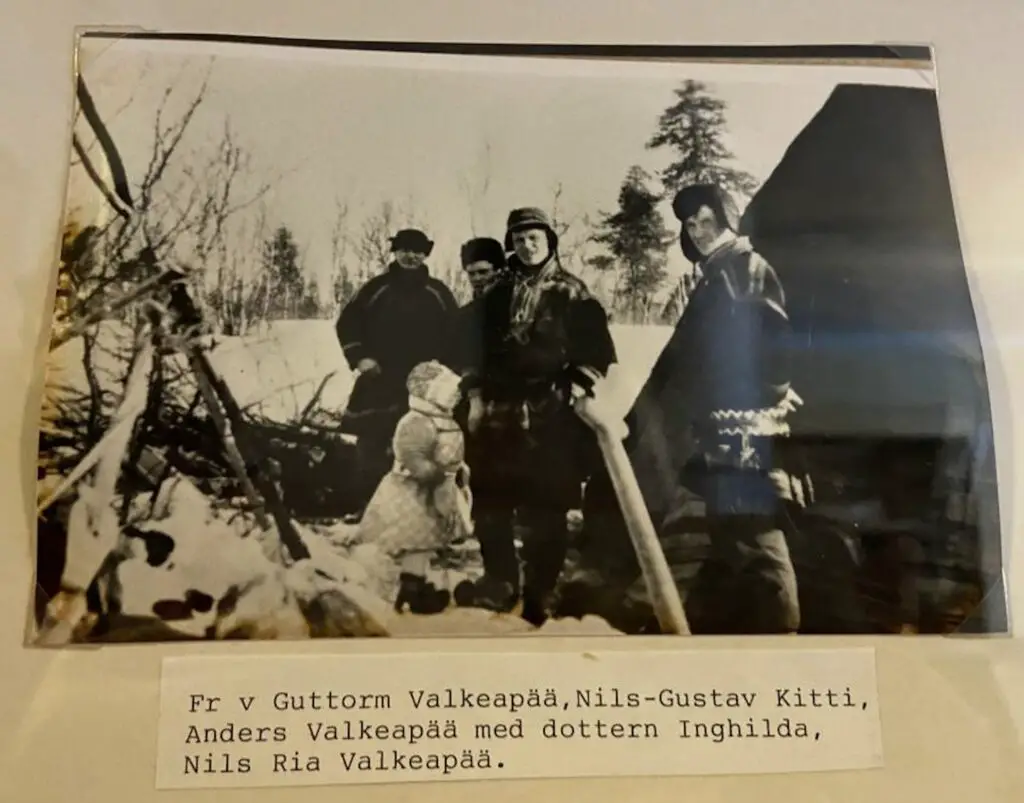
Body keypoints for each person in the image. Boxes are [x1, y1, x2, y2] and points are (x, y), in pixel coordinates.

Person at [576, 183, 805, 635]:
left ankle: (782, 630)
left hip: (740, 430)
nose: (697, 231)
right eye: (689, 224)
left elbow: (775, 347)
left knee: (752, 529)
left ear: (726, 219)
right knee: (716, 527)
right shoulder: (715, 273)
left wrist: (757, 404)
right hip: (707, 427)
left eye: (706, 220)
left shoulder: (745, 269)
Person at [452, 207, 616, 626]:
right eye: (519, 239)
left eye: (534, 238)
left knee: (547, 505)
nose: (527, 245)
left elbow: (596, 349)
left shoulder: (571, 292)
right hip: (496, 410)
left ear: (549, 241)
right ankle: (499, 581)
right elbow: (469, 349)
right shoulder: (497, 295)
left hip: (549, 414)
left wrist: (577, 384)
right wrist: (473, 392)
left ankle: (540, 591)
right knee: (491, 499)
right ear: (512, 244)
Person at [336, 228, 460, 523]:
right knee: (372, 444)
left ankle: (422, 512)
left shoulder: (438, 292)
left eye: (417, 250)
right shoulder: (376, 288)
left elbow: (456, 334)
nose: (410, 256)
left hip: (423, 386)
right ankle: (368, 508)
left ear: (425, 255)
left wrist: (441, 373)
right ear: (395, 252)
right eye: (404, 249)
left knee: (421, 446)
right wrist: (360, 357)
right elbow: (348, 322)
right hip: (380, 379)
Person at [358, 361, 473, 614]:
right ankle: (411, 590)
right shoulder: (416, 422)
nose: (455, 395)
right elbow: (411, 454)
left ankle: (415, 587)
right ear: (430, 393)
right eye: (448, 390)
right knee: (415, 542)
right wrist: (432, 473)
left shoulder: (442, 420)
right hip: (412, 492)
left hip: (437, 489)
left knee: (423, 545)